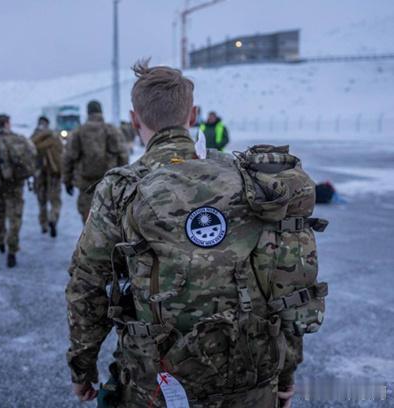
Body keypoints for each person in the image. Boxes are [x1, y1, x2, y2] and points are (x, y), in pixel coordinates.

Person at [65, 62, 327, 407]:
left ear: (134, 119)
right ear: (193, 115)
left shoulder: (120, 188)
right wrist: (285, 374)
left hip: (158, 384)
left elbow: (87, 284)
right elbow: (286, 281)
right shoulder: (248, 179)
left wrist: (82, 369)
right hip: (251, 379)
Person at [62, 100, 129, 224]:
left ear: (88, 112)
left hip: (85, 184)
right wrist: (124, 180)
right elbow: (123, 155)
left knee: (88, 218)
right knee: (110, 218)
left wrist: (67, 180)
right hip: (108, 183)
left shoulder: (78, 131)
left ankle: (90, 235)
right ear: (100, 111)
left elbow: (69, 157)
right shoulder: (111, 130)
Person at [0, 114, 36, 268]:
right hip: (15, 184)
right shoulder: (19, 139)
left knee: (0, 215)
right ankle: (12, 249)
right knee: (15, 218)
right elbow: (32, 153)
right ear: (6, 123)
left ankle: (0, 241)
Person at [31, 115, 63, 237]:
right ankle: (53, 218)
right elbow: (62, 152)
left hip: (39, 173)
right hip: (54, 172)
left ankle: (43, 224)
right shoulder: (54, 136)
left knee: (42, 201)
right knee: (55, 200)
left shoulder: (34, 137)